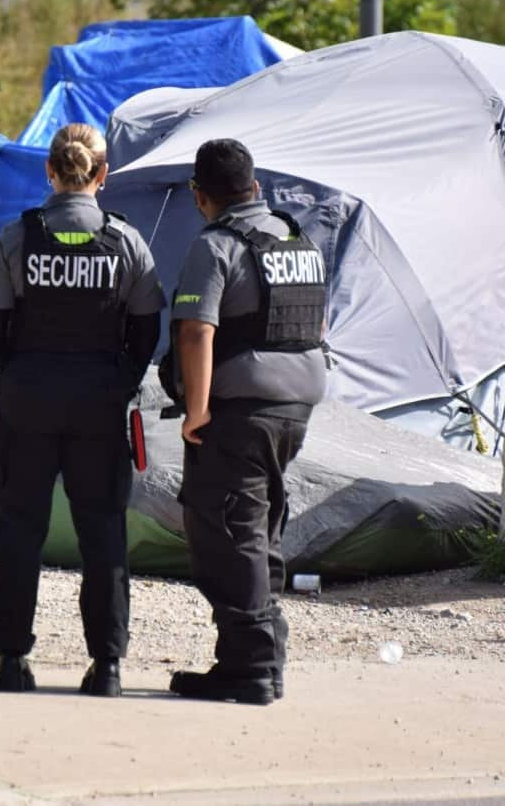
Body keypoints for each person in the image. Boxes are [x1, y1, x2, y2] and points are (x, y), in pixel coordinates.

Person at [0, 123, 165, 697]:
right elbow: (147, 327)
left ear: (49, 172)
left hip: (27, 398)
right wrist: (120, 380)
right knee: (103, 535)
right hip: (98, 405)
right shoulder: (125, 241)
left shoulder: (16, 238)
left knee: (19, 534)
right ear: (101, 176)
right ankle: (106, 668)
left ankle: (12, 663)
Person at [163, 138, 327, 706]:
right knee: (259, 530)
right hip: (296, 407)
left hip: (241, 409)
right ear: (255, 188)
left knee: (225, 532)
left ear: (199, 195)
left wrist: (196, 409)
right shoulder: (297, 237)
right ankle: (264, 657)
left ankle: (251, 665)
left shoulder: (216, 246)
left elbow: (195, 331)